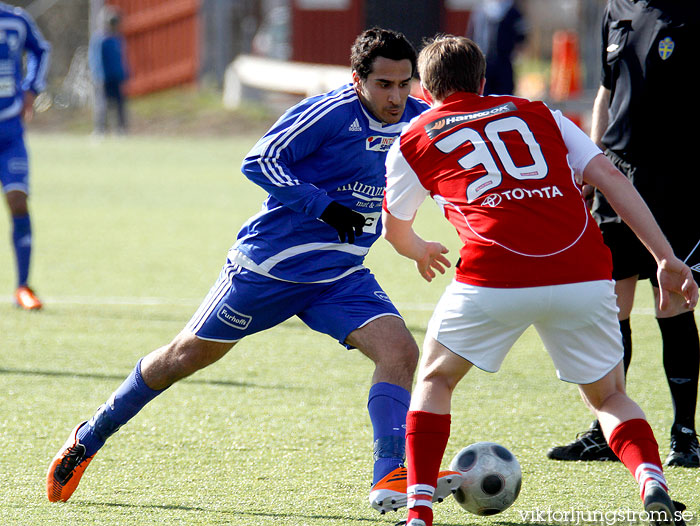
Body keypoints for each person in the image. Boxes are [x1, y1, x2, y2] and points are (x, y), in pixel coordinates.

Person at [46, 27, 462, 512]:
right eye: (384, 84)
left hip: (338, 277)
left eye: (404, 83)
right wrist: (323, 207)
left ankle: (390, 472)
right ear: (357, 81)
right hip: (268, 269)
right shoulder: (328, 114)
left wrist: (421, 244)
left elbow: (460, 166)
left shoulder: (419, 120)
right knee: (184, 357)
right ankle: (89, 436)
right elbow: (259, 159)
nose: (396, 96)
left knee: (399, 352)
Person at [381, 35, 697, 526]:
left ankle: (419, 511)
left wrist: (420, 249)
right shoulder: (540, 112)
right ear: (484, 83)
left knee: (436, 379)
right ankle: (652, 479)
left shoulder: (414, 136)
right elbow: (611, 179)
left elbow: (394, 230)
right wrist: (665, 256)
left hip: (493, 277)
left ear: (424, 90)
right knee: (610, 395)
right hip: (583, 270)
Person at [547, 0, 700, 468]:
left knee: (671, 303)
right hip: (618, 176)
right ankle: (606, 431)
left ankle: (685, 435)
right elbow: (604, 91)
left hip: (677, 183)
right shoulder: (616, 9)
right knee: (613, 305)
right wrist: (591, 164)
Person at [0, 3, 50, 310]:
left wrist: (32, 87)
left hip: (10, 131)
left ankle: (22, 286)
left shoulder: (16, 21)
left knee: (18, 199)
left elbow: (41, 50)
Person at [466, 0, 526, 95]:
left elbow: (521, 36)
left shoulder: (513, 11)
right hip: (482, 62)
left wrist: (517, 54)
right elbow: (471, 35)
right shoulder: (480, 10)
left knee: (505, 93)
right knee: (483, 94)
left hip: (504, 62)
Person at [89, 6, 129, 135]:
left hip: (116, 77)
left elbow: (121, 59)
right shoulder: (100, 40)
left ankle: (121, 129)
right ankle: (100, 130)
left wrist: (124, 73)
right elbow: (96, 60)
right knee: (103, 105)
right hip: (104, 78)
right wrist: (98, 76)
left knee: (119, 105)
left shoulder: (117, 39)